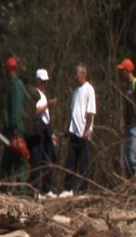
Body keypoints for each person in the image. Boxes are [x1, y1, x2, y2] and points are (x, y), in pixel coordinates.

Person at [60, 64, 96, 197]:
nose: (75, 76)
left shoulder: (89, 89)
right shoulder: (75, 91)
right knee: (70, 161)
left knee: (84, 163)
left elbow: (90, 112)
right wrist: (68, 130)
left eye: (77, 73)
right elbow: (73, 112)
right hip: (74, 132)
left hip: (83, 133)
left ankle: (84, 189)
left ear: (83, 74)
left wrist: (87, 130)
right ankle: (68, 188)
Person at [0, 56, 29, 187]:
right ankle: (5, 187)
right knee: (8, 163)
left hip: (15, 132)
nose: (5, 72)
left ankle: (21, 190)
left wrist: (16, 132)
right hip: (10, 131)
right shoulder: (13, 86)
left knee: (19, 162)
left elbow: (16, 110)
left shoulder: (16, 87)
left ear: (11, 69)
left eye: (6, 69)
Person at [29, 69, 57, 198]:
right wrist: (48, 105)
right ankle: (34, 190)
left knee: (49, 158)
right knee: (36, 159)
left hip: (46, 128)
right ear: (37, 80)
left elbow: (48, 116)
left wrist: (52, 133)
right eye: (42, 81)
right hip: (37, 128)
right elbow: (35, 111)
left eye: (45, 82)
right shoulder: (34, 94)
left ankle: (47, 189)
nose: (44, 84)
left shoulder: (44, 95)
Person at [117, 58, 136, 176]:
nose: (121, 73)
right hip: (127, 127)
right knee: (125, 161)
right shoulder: (126, 86)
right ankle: (134, 183)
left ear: (128, 70)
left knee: (132, 157)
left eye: (122, 70)